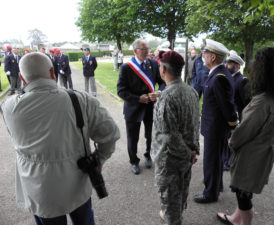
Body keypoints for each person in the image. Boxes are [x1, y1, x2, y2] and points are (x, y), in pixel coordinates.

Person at [0, 52, 120, 225]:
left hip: (38, 189)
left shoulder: (8, 106)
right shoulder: (81, 100)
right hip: (77, 183)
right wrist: (99, 159)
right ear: (52, 72)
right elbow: (110, 134)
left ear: (21, 77)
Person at [217, 47, 274, 225]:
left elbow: (246, 130)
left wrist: (232, 140)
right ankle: (235, 218)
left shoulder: (262, 101)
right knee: (244, 189)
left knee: (243, 194)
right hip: (263, 151)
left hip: (253, 154)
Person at [151, 51, 200, 225]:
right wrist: (194, 149)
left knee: (170, 199)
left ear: (163, 69)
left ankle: (173, 218)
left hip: (170, 160)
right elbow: (196, 123)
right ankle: (174, 215)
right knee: (180, 193)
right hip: (186, 157)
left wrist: (188, 152)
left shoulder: (167, 96)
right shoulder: (192, 91)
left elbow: (169, 136)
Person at [193, 39, 238, 204]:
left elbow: (226, 107)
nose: (202, 56)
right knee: (216, 159)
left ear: (212, 57)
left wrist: (233, 126)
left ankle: (210, 193)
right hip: (215, 126)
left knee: (211, 160)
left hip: (215, 127)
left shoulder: (219, 77)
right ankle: (216, 185)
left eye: (205, 54)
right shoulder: (217, 73)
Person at [117, 39, 165, 175]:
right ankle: (134, 161)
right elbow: (121, 90)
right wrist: (138, 98)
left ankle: (148, 155)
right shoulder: (126, 67)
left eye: (148, 49)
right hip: (133, 108)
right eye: (143, 49)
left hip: (150, 107)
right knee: (133, 137)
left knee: (151, 135)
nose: (147, 52)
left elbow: (162, 82)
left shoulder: (153, 64)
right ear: (135, 51)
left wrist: (159, 92)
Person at [223, 50, 251, 171]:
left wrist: (242, 118)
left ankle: (231, 161)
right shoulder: (227, 78)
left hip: (238, 115)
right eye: (227, 63)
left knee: (234, 139)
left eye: (229, 64)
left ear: (237, 66)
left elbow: (246, 102)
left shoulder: (242, 80)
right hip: (228, 114)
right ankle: (226, 160)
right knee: (227, 138)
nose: (226, 65)